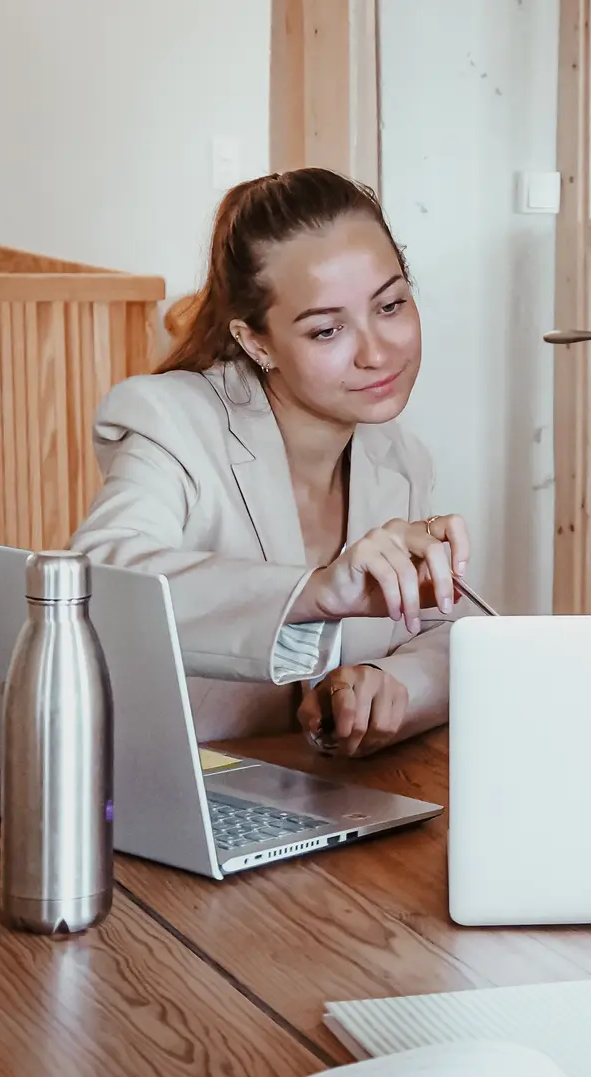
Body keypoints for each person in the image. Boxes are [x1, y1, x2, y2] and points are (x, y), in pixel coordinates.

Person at [71, 168, 470, 756]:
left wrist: (391, 684)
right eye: (328, 329)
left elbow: (446, 633)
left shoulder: (401, 459)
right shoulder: (172, 421)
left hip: (328, 807)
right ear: (257, 342)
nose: (378, 351)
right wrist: (314, 591)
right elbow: (97, 582)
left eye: (390, 305)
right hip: (159, 804)